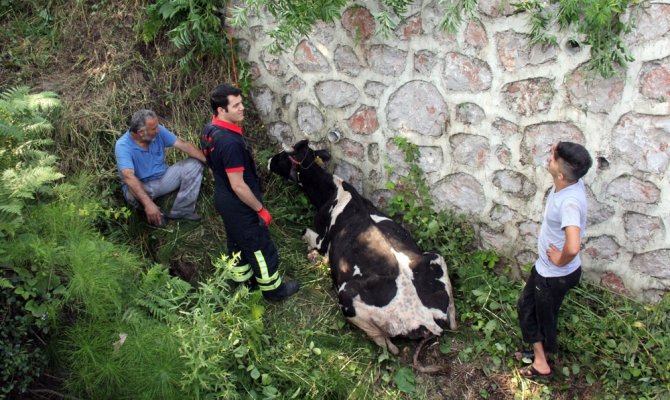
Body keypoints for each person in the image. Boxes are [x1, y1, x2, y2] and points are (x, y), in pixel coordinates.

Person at [200, 83, 299, 302]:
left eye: (241, 102)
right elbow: (239, 185)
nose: (243, 108)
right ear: (221, 111)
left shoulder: (209, 131)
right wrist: (260, 209)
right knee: (259, 247)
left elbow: (212, 164)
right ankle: (274, 291)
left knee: (236, 242)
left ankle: (245, 282)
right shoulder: (230, 143)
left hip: (223, 197)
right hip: (239, 203)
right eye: (236, 105)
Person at [515, 141, 593, 378]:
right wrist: (559, 149)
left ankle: (541, 363)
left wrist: (560, 259)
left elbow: (572, 245)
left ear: (560, 173)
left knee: (530, 311)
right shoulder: (571, 183)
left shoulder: (568, 202)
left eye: (552, 158)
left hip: (553, 275)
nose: (549, 158)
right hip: (550, 271)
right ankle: (540, 351)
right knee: (539, 310)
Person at [115, 109, 206, 227]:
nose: (158, 130)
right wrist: (148, 204)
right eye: (154, 129)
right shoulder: (122, 145)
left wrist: (210, 163)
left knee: (194, 164)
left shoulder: (158, 131)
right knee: (133, 189)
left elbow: (183, 145)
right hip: (142, 187)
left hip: (163, 178)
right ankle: (155, 218)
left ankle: (182, 210)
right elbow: (128, 177)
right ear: (141, 132)